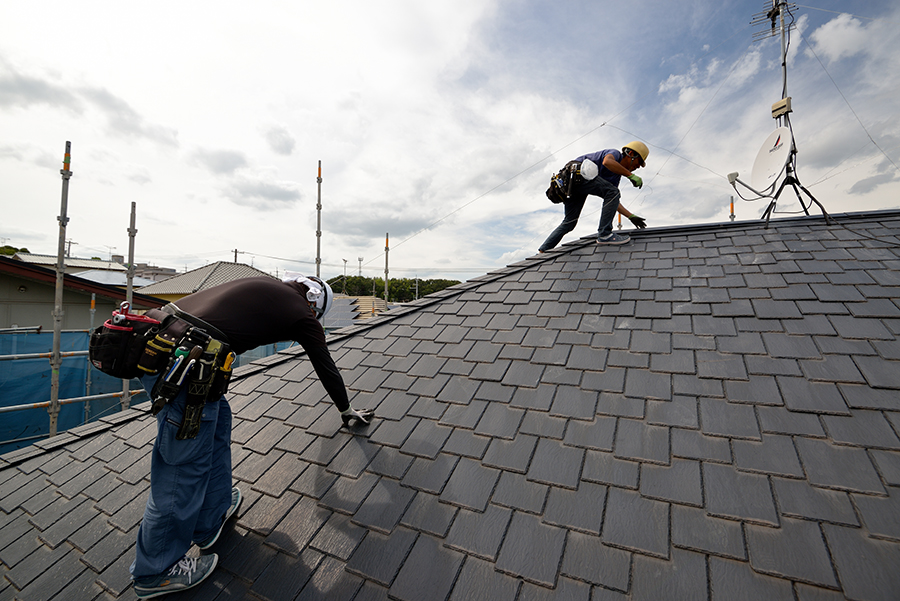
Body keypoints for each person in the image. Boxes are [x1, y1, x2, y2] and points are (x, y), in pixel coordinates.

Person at [130, 273, 372, 598]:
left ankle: (211, 518)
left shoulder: (269, 286)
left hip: (164, 345)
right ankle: (155, 569)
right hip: (183, 364)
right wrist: (345, 410)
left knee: (217, 423)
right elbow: (325, 365)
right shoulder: (302, 313)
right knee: (182, 467)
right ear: (314, 303)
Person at [538, 141, 650, 252]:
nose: (639, 166)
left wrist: (631, 216)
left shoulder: (615, 178)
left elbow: (612, 200)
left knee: (569, 222)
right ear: (630, 153)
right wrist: (630, 176)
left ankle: (543, 250)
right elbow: (607, 162)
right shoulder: (615, 154)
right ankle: (605, 234)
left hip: (573, 184)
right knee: (612, 191)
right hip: (577, 174)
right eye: (639, 162)